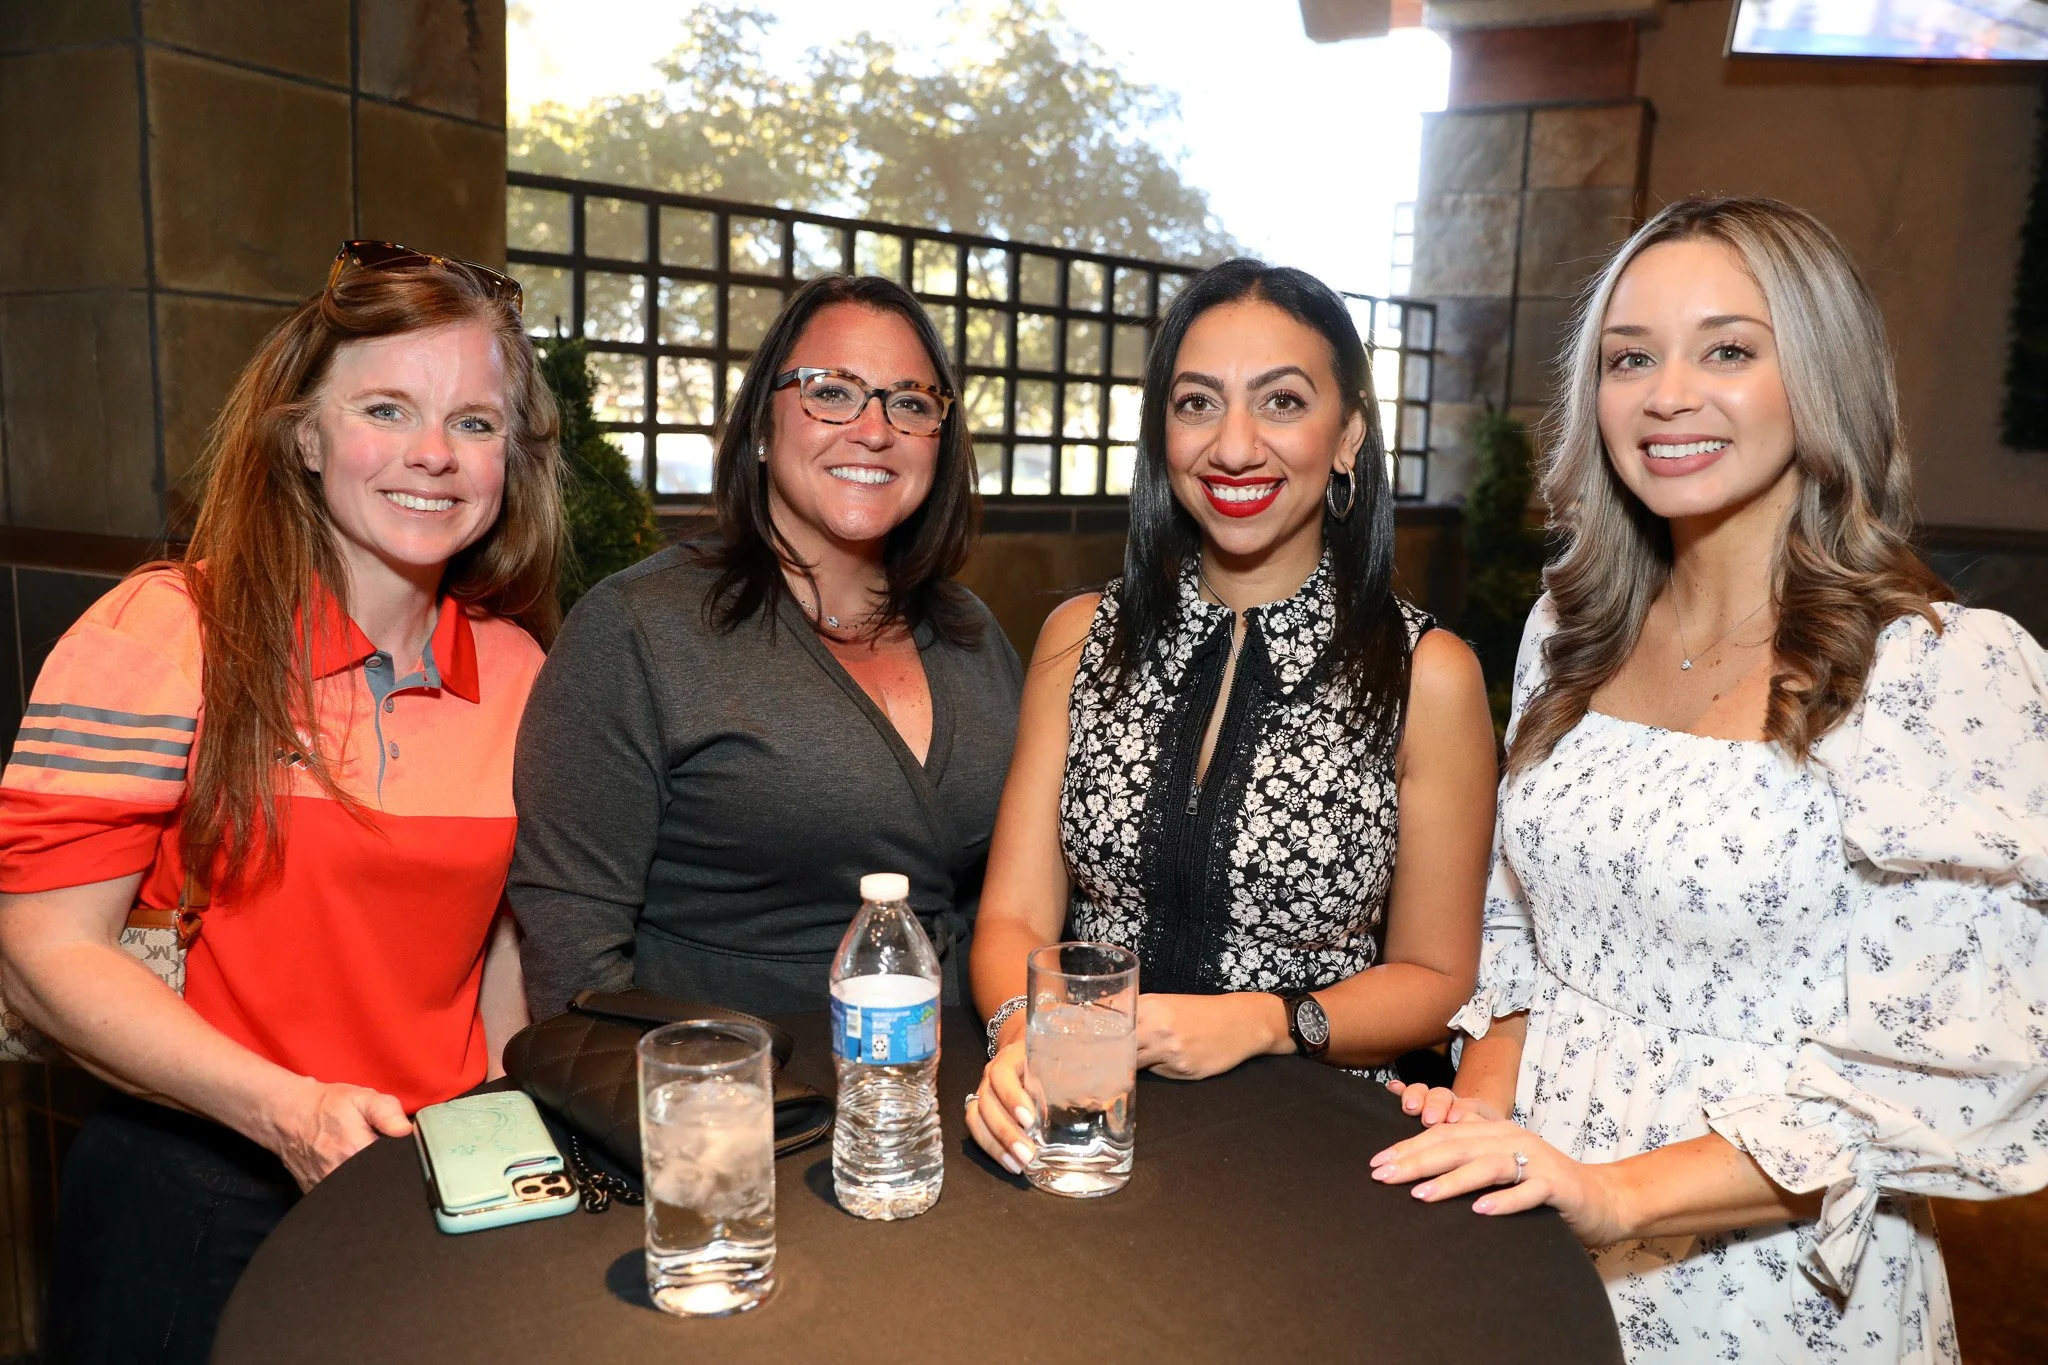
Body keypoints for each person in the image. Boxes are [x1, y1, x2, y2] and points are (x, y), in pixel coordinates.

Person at [1371, 195, 2048, 1362]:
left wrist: (1615, 1193)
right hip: (1532, 1233)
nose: (1665, 394)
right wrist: (1478, 1118)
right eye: (1627, 358)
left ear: (1821, 378)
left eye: (1726, 350)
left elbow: (1951, 1067)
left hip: (1769, 1280)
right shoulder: (1566, 630)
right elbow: (1525, 940)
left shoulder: (1941, 671)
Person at [0, 240, 562, 1364]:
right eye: (387, 409)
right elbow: (39, 950)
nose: (433, 454)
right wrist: (288, 1111)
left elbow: (501, 951)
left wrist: (511, 1141)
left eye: (474, 422)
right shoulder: (170, 631)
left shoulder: (518, 669)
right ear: (303, 436)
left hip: (432, 1185)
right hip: (199, 1183)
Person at [965, 259, 1496, 1175]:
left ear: (1348, 434)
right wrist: (1027, 1036)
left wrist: (1263, 1021)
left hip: (1312, 1141)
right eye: (1197, 403)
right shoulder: (1078, 639)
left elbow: (1438, 978)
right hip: (1083, 1114)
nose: (1235, 446)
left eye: (1282, 401)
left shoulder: (1427, 674)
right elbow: (1013, 913)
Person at [511, 274, 1022, 1019]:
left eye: (911, 403)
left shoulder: (971, 631)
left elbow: (1008, 895)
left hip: (957, 1067)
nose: (874, 430)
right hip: (732, 1078)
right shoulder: (638, 629)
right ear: (759, 426)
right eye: (832, 391)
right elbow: (572, 956)